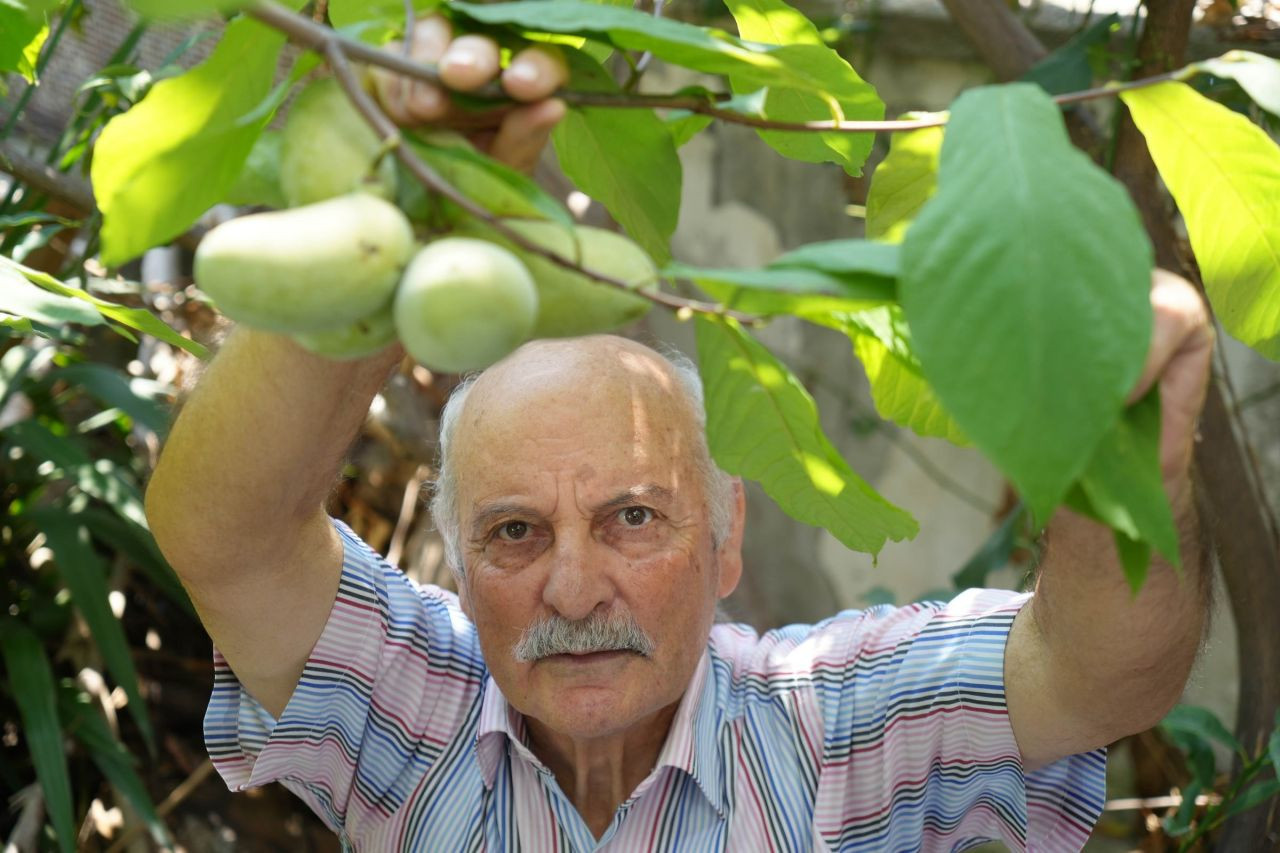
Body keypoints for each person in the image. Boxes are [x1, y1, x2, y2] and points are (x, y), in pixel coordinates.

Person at [145, 18, 1216, 852]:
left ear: (725, 534)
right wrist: (408, 221)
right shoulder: (413, 705)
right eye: (514, 531)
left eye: (631, 517)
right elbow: (224, 537)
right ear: (457, 560)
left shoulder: (834, 723)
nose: (571, 590)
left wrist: (1119, 465)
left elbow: (1094, 674)